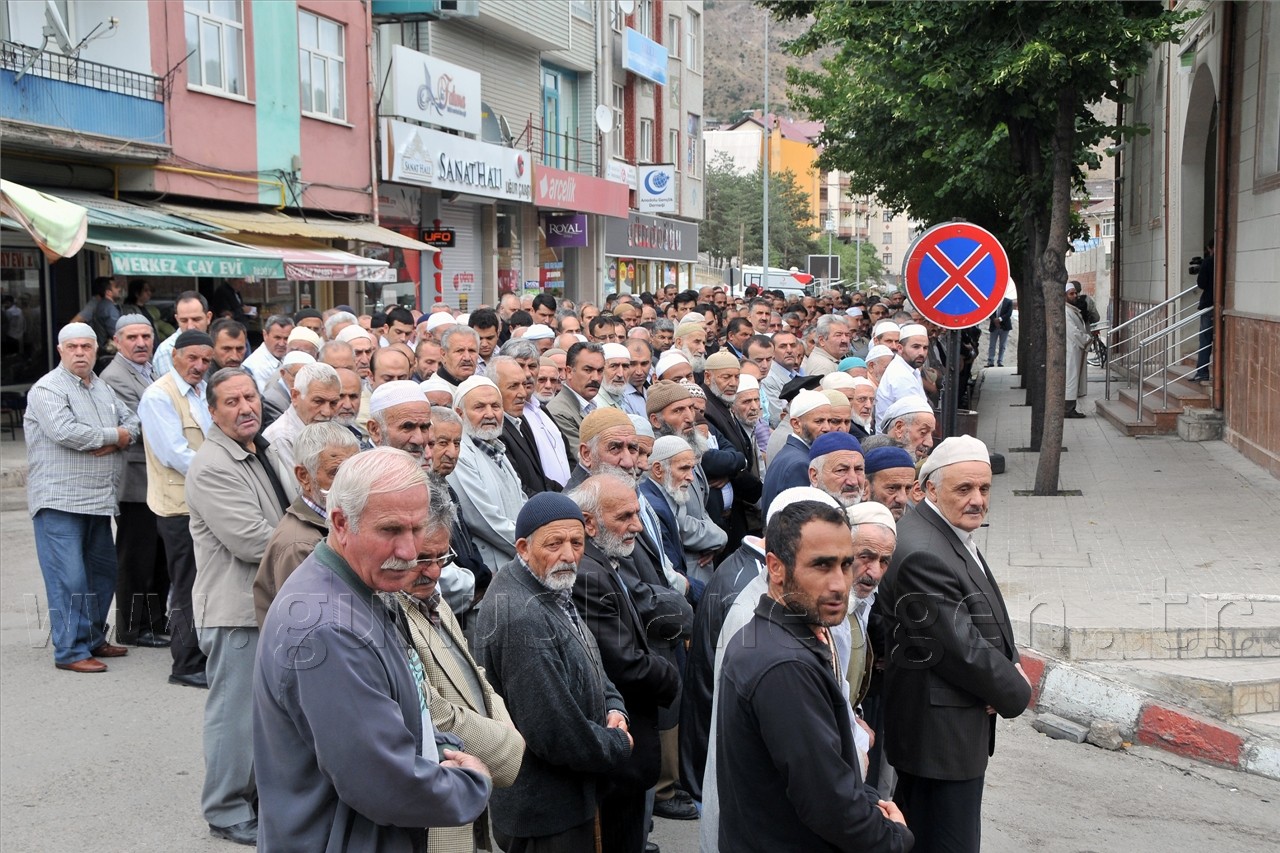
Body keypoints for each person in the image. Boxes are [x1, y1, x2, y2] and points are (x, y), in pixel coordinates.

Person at [255, 448, 493, 852]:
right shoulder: (329, 629)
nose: (409, 551)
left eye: (417, 529)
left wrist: (438, 748)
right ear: (340, 523)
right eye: (390, 530)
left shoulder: (358, 589)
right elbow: (383, 783)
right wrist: (470, 784)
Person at [715, 499, 913, 853]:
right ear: (776, 567)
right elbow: (828, 804)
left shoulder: (779, 637)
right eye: (821, 565)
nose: (839, 584)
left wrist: (869, 802)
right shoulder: (784, 666)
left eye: (846, 564)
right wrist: (895, 837)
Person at [877, 435, 1031, 853]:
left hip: (945, 734)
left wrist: (1009, 663)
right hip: (939, 741)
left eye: (984, 488)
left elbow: (985, 617)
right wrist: (1013, 688)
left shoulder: (942, 531)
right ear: (928, 489)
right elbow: (958, 646)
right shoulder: (924, 551)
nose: (977, 500)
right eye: (964, 489)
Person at [475, 493, 634, 853]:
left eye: (577, 543)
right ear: (523, 547)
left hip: (564, 804)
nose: (568, 555)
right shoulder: (521, 616)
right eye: (554, 543)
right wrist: (617, 743)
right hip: (544, 816)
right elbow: (553, 732)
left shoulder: (547, 584)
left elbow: (591, 659)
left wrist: (614, 707)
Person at [186, 368, 288, 845]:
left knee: (264, 715)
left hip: (267, 602)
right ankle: (225, 809)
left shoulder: (260, 448)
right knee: (235, 715)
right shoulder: (212, 464)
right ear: (212, 411)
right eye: (232, 401)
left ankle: (255, 799)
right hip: (236, 611)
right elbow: (251, 540)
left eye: (250, 397)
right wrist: (323, 553)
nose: (246, 407)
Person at [396, 484, 526, 852]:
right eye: (423, 559)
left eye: (443, 557)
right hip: (438, 796)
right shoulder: (391, 614)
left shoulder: (436, 601)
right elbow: (431, 711)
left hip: (469, 780)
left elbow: (476, 676)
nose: (435, 571)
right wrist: (508, 744)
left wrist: (504, 728)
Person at [569, 475, 681, 853]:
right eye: (625, 517)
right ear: (589, 522)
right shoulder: (587, 574)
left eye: (636, 514)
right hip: (619, 743)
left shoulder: (606, 560)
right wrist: (672, 677)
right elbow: (623, 663)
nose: (637, 526)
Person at [25, 322, 140, 673]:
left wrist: (121, 435)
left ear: (95, 350)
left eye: (86, 347)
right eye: (72, 347)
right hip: (59, 500)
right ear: (60, 351)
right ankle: (70, 650)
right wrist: (116, 437)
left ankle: (91, 638)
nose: (80, 353)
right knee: (69, 578)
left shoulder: (102, 387)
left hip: (99, 499)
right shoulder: (48, 388)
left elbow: (133, 423)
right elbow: (65, 432)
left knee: (102, 573)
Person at [138, 330, 216, 686]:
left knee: (204, 582)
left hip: (203, 501)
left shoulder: (203, 391)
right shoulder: (158, 395)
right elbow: (174, 454)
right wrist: (221, 472)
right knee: (187, 585)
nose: (199, 366)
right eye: (192, 358)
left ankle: (201, 655)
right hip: (177, 506)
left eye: (205, 360)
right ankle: (184, 665)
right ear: (175, 357)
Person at [99, 315, 170, 648]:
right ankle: (131, 627)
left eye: (146, 336)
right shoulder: (114, 377)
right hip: (134, 481)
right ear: (117, 341)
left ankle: (154, 622)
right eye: (132, 337)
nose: (141, 343)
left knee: (158, 556)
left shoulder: (150, 370)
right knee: (135, 557)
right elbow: (140, 423)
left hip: (155, 478)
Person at [251, 422, 358, 626]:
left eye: (354, 471)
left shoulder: (333, 523)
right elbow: (308, 628)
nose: (349, 483)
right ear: (304, 476)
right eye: (336, 473)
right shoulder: (300, 545)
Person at [448, 376, 526, 574]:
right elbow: (484, 520)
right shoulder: (460, 454)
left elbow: (522, 500)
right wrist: (532, 546)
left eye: (496, 406)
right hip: (495, 569)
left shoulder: (497, 447)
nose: (490, 414)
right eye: (479, 407)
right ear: (459, 413)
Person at [760, 389, 837, 512]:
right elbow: (802, 517)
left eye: (830, 421)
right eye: (819, 421)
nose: (827, 428)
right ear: (796, 424)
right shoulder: (799, 465)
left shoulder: (793, 453)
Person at [262, 362, 341, 476]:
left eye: (333, 403)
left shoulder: (331, 429)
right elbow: (298, 486)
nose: (327, 412)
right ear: (295, 396)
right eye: (318, 401)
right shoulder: (281, 438)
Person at [546, 342, 606, 458]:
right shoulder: (559, 413)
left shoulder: (592, 405)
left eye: (600, 371)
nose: (596, 378)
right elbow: (585, 459)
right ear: (569, 372)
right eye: (588, 370)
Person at [153, 291, 214, 378]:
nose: (190, 327)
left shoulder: (215, 343)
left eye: (196, 319)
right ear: (177, 319)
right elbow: (172, 386)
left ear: (208, 317)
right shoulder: (166, 351)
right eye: (184, 321)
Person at [874, 324, 929, 416]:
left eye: (925, 348)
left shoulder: (911, 369)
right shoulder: (900, 374)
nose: (921, 353)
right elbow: (914, 416)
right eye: (916, 347)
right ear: (900, 348)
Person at [807, 431, 867, 508]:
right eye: (841, 470)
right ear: (814, 476)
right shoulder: (799, 514)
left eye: (859, 469)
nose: (853, 482)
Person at [243, 314, 294, 394]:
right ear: (265, 335)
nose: (281, 344)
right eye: (277, 338)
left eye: (286, 338)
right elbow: (266, 398)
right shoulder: (255, 366)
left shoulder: (289, 356)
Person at [864, 446, 918, 521]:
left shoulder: (917, 525)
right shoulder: (848, 525)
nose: (903, 499)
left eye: (907, 489)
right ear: (865, 487)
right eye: (892, 488)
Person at [1064, 281, 1090, 418]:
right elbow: (1073, 332)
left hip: (1075, 349)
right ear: (1065, 295)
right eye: (1071, 293)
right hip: (1071, 349)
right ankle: (1068, 409)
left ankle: (1070, 407)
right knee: (1071, 378)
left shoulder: (1071, 310)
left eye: (1075, 293)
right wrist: (1086, 339)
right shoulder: (1066, 311)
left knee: (1073, 378)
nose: (1075, 295)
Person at [1193, 241, 1214, 382]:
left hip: (1209, 305)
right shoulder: (1225, 259)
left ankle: (1202, 371)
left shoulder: (1209, 262)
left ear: (1210, 248)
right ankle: (1203, 371)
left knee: (1205, 339)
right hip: (1217, 305)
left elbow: (1201, 283)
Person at [985, 296, 1014, 368]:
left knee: (1002, 345)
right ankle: (990, 361)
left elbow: (1009, 313)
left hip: (1004, 327)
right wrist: (994, 320)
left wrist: (1000, 319)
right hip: (994, 326)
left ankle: (1000, 361)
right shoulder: (992, 301)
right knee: (992, 345)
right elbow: (989, 312)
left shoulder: (1009, 302)